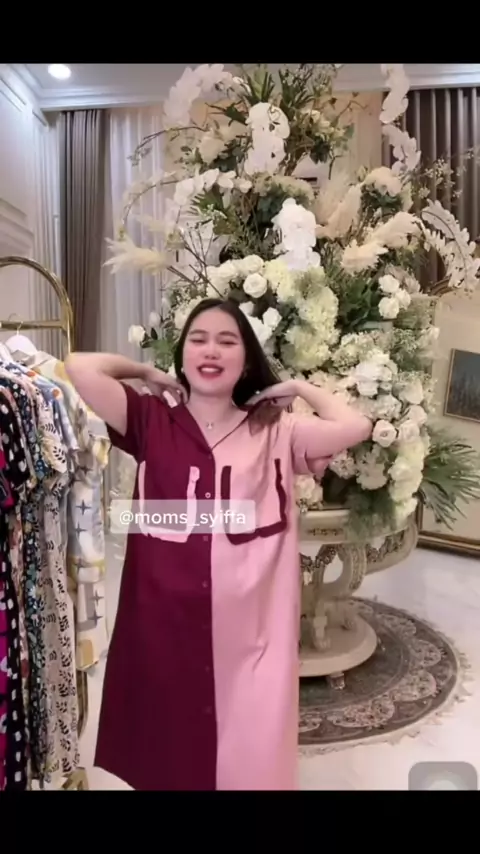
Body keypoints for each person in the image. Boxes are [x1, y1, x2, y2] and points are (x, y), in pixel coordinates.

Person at [65, 297, 372, 791]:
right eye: (198, 339)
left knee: (245, 754)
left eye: (227, 341)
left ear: (246, 361)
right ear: (182, 354)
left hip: (250, 636)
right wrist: (145, 371)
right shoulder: (149, 419)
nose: (211, 351)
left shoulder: (276, 430)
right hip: (164, 624)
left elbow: (355, 427)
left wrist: (296, 387)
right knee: (167, 751)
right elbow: (79, 367)